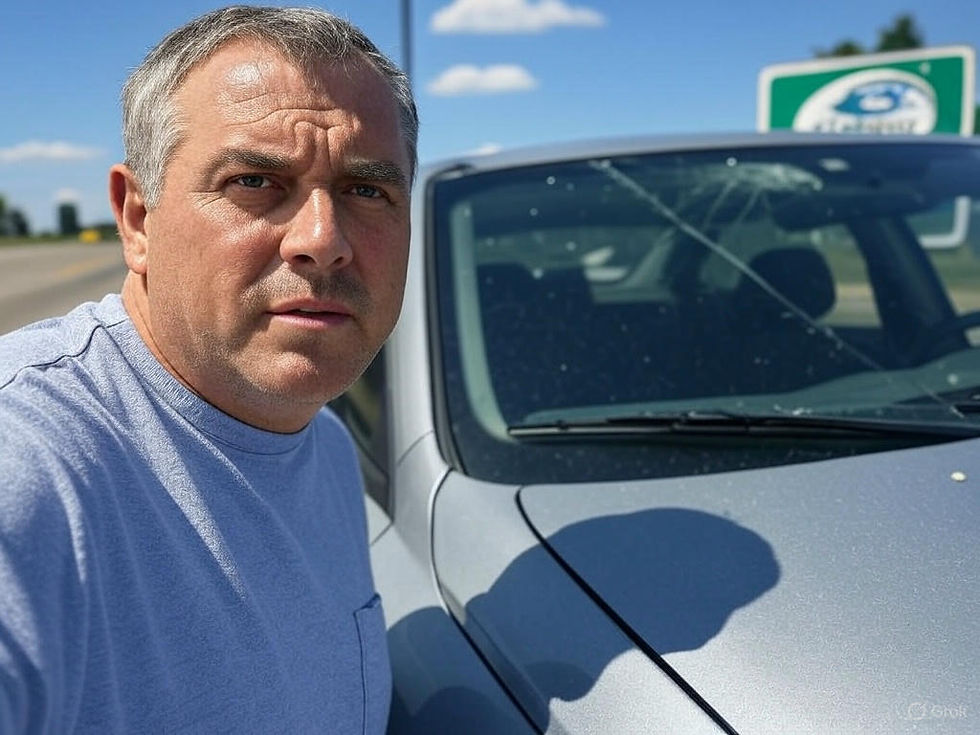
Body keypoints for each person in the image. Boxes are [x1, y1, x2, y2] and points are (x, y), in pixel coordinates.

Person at [0, 5, 417, 733]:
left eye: (366, 190)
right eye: (254, 181)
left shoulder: (324, 447)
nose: (323, 240)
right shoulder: (31, 472)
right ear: (138, 218)